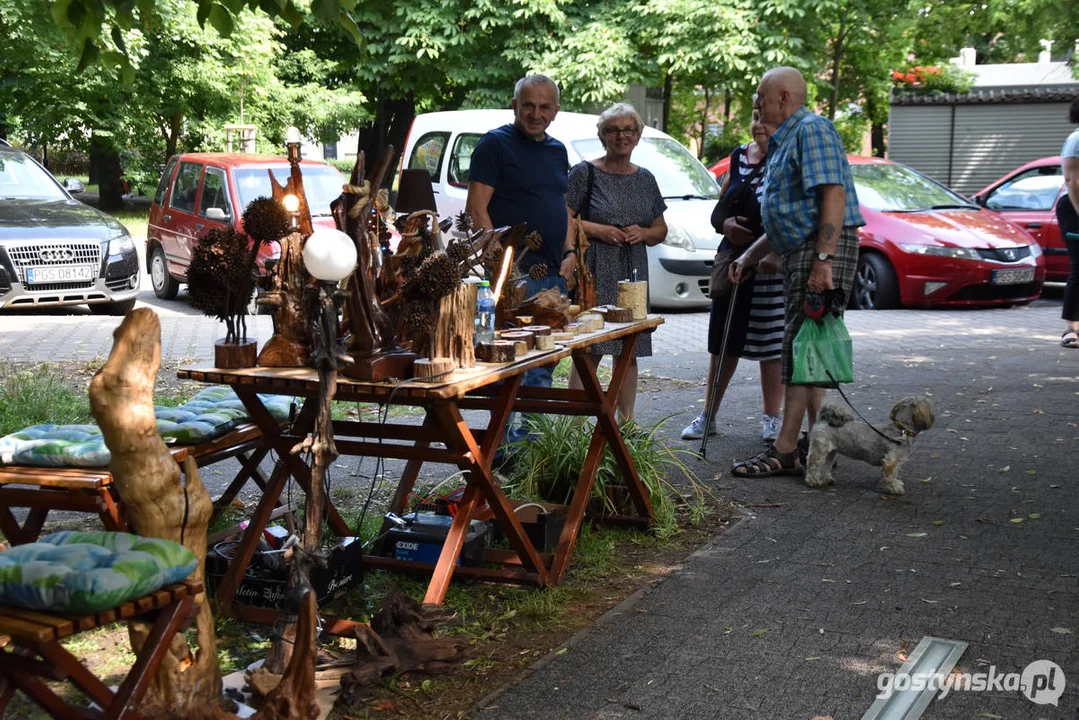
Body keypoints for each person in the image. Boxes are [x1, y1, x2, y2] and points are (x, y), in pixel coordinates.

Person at [728, 66, 865, 477]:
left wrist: (823, 261)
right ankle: (815, 445)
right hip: (802, 250)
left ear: (783, 98)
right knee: (809, 345)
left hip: (818, 251)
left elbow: (833, 195)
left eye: (760, 95)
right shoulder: (786, 140)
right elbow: (789, 215)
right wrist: (749, 256)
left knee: (803, 346)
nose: (755, 103)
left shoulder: (811, 129)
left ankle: (786, 448)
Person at [466, 74, 577, 444]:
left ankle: (531, 452)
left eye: (545, 106)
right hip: (514, 278)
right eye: (528, 105)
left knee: (543, 366)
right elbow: (477, 208)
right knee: (509, 366)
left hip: (552, 276)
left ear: (556, 111)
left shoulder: (558, 150)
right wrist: (505, 268)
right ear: (514, 105)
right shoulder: (495, 145)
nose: (536, 113)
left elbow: (563, 206)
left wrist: (570, 254)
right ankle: (503, 449)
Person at [681, 110, 785, 442]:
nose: (759, 124)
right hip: (732, 261)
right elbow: (719, 210)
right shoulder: (739, 157)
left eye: (766, 119)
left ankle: (772, 419)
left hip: (769, 266)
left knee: (770, 346)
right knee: (723, 342)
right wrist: (725, 225)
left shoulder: (786, 159)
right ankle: (708, 415)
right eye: (756, 117)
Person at [565, 103, 668, 422]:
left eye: (628, 130)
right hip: (595, 269)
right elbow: (564, 218)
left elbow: (661, 229)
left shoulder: (646, 179)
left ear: (638, 136)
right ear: (602, 136)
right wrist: (599, 230)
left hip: (633, 273)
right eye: (613, 130)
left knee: (629, 350)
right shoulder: (585, 172)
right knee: (590, 349)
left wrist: (644, 232)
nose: (621, 136)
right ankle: (574, 426)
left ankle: (626, 425)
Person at [1057, 98, 1079, 349]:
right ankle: (1071, 328)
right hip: (1074, 208)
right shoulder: (1076, 139)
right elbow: (1073, 180)